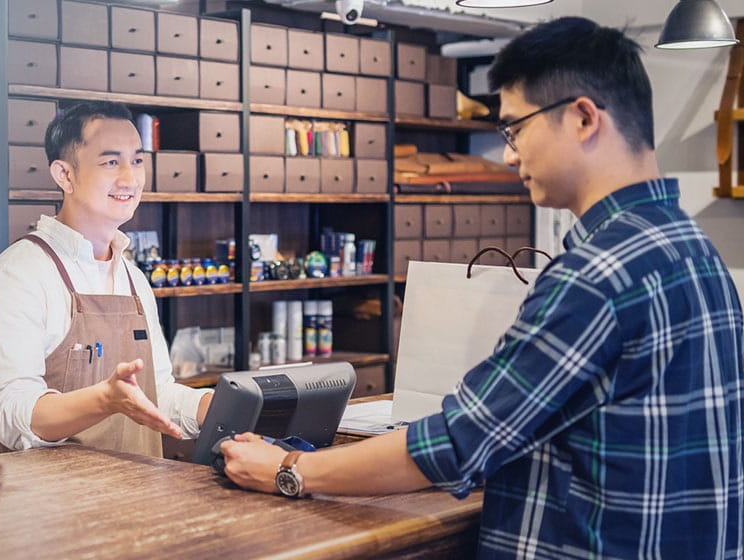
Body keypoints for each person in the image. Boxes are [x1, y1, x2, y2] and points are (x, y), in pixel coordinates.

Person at [219, 17, 743, 558]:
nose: (510, 155)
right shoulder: (692, 248)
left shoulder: (597, 273)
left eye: (515, 129)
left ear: (583, 118)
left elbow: (456, 444)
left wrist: (289, 468)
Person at [0, 101, 213, 455]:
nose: (130, 178)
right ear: (64, 175)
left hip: (137, 499)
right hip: (52, 505)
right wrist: (104, 399)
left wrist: (222, 406)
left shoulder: (133, 278)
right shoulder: (19, 274)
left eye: (138, 161)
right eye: (111, 162)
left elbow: (156, 393)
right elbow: (10, 413)